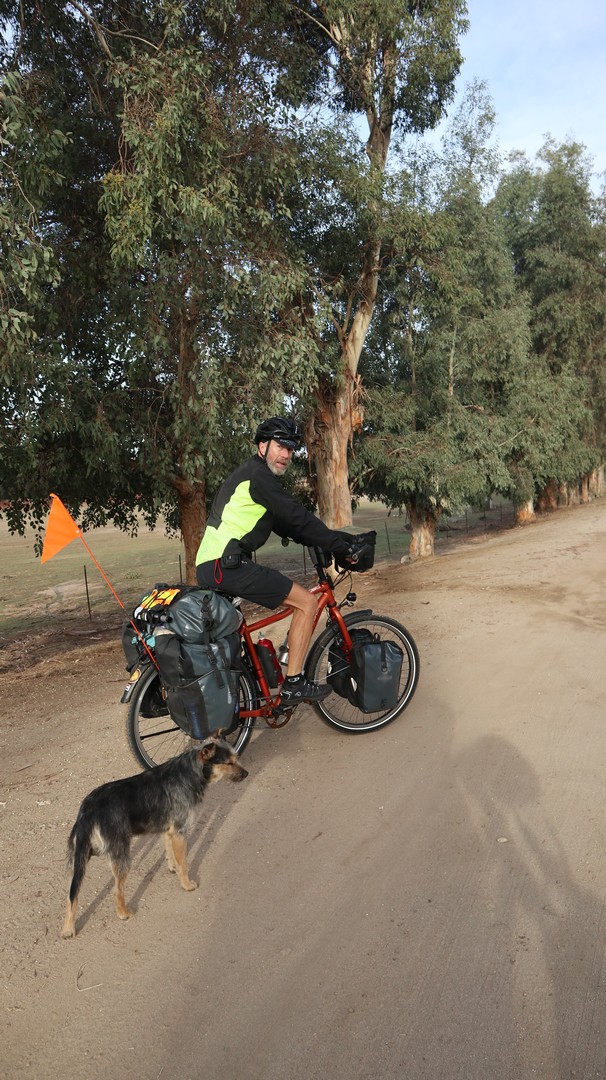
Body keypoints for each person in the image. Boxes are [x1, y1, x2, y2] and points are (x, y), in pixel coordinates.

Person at [195, 416, 356, 707]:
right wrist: (340, 545)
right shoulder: (258, 476)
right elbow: (296, 516)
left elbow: (289, 525)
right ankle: (293, 683)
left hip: (218, 565)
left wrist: (325, 540)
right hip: (224, 565)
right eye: (280, 446)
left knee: (245, 632)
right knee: (306, 603)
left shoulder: (254, 476)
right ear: (262, 446)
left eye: (290, 449)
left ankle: (257, 687)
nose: (286, 454)